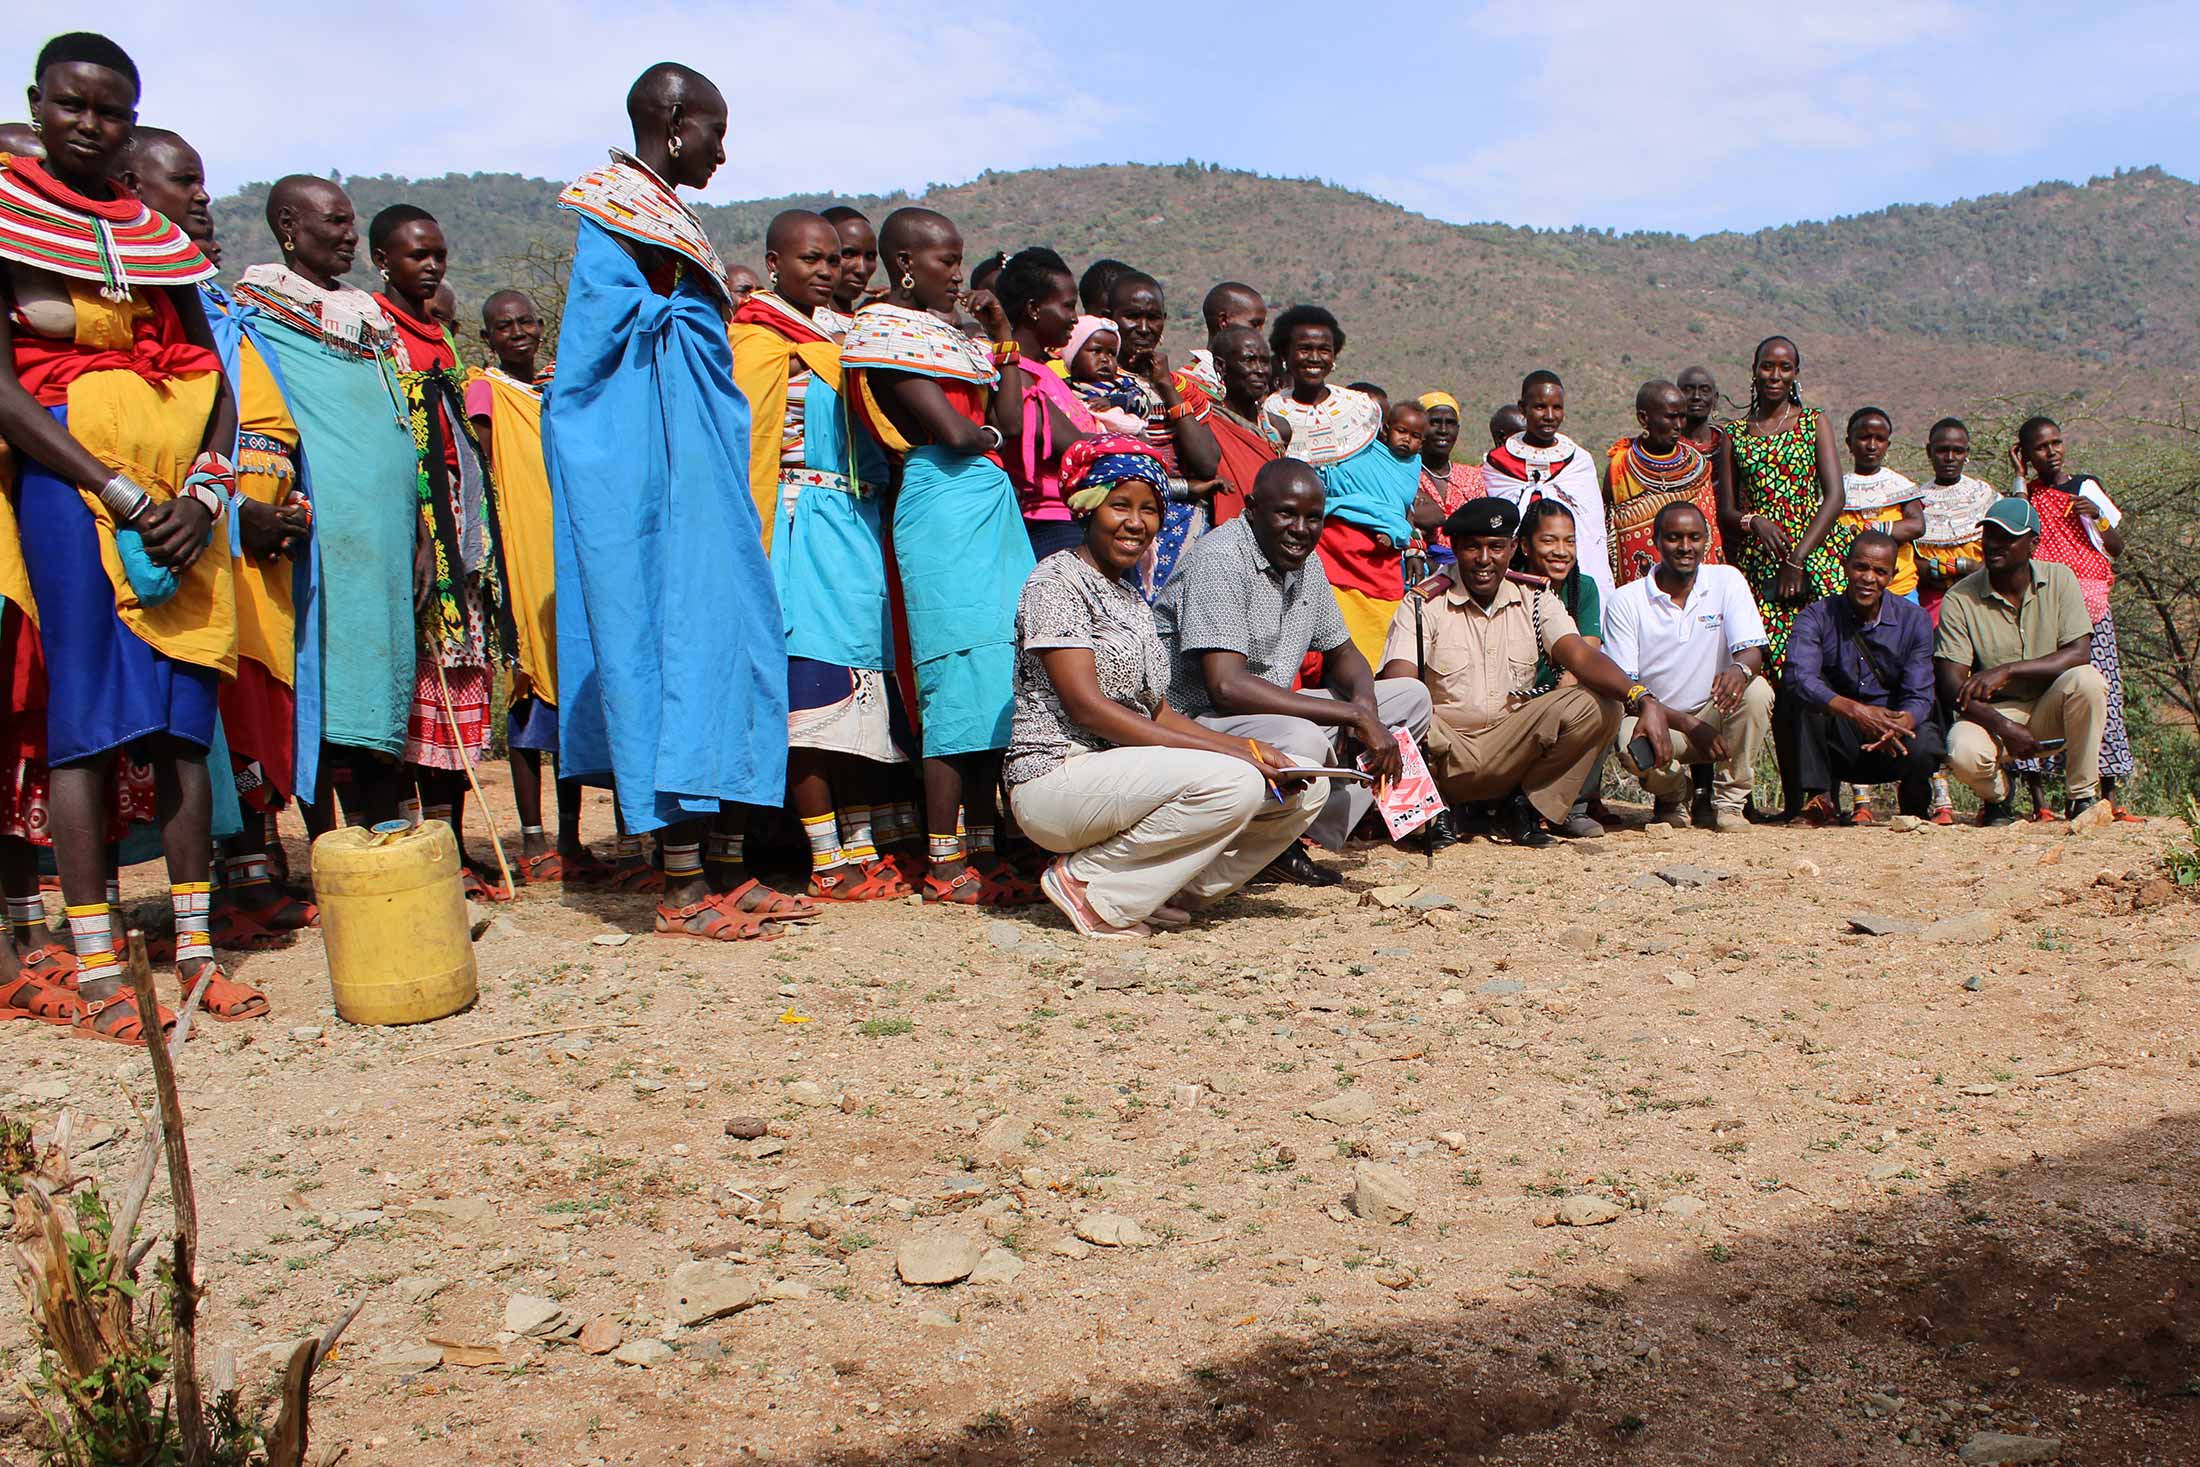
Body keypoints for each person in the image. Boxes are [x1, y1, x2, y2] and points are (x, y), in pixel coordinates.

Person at [0, 33, 267, 1035]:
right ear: (39, 101)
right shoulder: (7, 222)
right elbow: (5, 392)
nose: (91, 124)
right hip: (74, 495)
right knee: (89, 727)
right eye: (72, 105)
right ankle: (104, 972)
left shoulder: (154, 239)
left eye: (111, 110)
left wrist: (201, 491)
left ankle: (197, 956)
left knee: (180, 727)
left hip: (181, 502)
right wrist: (115, 487)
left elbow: (215, 384)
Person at [543, 62, 801, 941]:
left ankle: (732, 862)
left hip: (702, 469)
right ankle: (682, 881)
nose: (724, 152)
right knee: (667, 642)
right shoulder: (617, 209)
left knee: (732, 638)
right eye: (717, 132)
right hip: (649, 468)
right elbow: (597, 350)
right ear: (678, 121)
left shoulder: (668, 215)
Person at [121, 126, 318, 943]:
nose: (203, 199)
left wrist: (284, 506)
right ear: (133, 186)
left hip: (247, 546)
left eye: (205, 185)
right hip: (174, 533)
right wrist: (228, 510)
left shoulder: (230, 311)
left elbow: (260, 420)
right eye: (185, 183)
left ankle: (253, 876)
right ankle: (201, 904)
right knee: (189, 729)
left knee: (250, 715)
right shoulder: (143, 298)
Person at [1007, 437, 1322, 937]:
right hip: (1057, 777)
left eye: (1150, 510)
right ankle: (1090, 885)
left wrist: (1248, 746)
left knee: (1304, 784)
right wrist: (1237, 759)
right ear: (1088, 508)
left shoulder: (1131, 596)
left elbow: (1156, 711)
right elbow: (1087, 708)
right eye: (1120, 506)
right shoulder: (1056, 581)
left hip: (1124, 776)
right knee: (1236, 781)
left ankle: (1156, 892)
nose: (1137, 523)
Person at [842, 206, 1036, 905]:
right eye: (944, 261)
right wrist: (983, 434)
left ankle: (986, 845)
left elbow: (1005, 425)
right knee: (953, 673)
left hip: (987, 504)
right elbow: (955, 432)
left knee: (995, 668)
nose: (957, 274)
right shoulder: (884, 334)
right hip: (940, 505)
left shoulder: (952, 338)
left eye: (959, 260)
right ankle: (944, 858)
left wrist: (1005, 340)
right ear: (904, 263)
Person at [730, 210, 912, 901]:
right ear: (774, 262)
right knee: (811, 688)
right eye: (812, 258)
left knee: (867, 686)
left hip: (859, 522)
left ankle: (862, 845)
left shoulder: (849, 337)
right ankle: (825, 855)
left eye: (834, 259)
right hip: (795, 520)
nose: (828, 270)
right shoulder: (752, 338)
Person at [235, 176, 417, 834]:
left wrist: (419, 530)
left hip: (387, 537)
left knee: (381, 676)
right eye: (334, 221)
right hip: (325, 536)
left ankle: (387, 830)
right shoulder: (262, 314)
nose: (348, 234)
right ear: (289, 225)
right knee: (326, 684)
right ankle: (329, 844)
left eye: (350, 222)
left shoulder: (367, 316)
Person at [1156, 459, 1430, 882]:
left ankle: (1298, 832)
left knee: (1412, 697)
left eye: (1313, 518)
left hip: (1265, 715)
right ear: (1251, 509)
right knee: (1302, 735)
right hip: (1196, 720)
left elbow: (1344, 653)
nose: (1301, 528)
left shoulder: (1306, 563)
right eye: (1286, 513)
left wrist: (1366, 710)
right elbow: (1226, 686)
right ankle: (1267, 842)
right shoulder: (1222, 559)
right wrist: (1353, 717)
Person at [368, 204, 517, 899]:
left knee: (462, 689)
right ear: (381, 260)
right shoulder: (375, 332)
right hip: (415, 537)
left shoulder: (443, 340)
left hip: (466, 542)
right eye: (414, 254)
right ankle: (409, 848)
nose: (429, 266)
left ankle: (453, 844)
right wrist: (421, 535)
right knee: (414, 699)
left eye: (438, 253)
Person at [1378, 499, 1636, 847]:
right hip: (1445, 751)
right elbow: (1398, 686)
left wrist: (1640, 697)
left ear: (1512, 548)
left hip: (1512, 747)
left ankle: (1525, 808)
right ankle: (1423, 817)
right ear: (1455, 548)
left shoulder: (1534, 596)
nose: (1485, 560)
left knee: (1603, 703)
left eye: (1496, 547)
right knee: (1395, 703)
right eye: (1473, 547)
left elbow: (1579, 654)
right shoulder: (1423, 602)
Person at [463, 289, 606, 886]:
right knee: (529, 694)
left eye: (525, 322)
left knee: (571, 688)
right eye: (503, 326)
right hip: (521, 548)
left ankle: (572, 839)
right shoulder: (486, 392)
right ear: (488, 336)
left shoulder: (562, 386)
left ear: (542, 327)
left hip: (570, 547)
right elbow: (483, 470)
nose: (516, 332)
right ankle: (534, 839)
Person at [1715, 335, 1849, 820]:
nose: (1775, 375)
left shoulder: (1815, 424)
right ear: (1753, 371)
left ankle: (1820, 795)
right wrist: (1755, 522)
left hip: (1814, 561)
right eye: (1767, 367)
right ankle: (1775, 797)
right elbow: (1728, 510)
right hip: (1758, 569)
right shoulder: (1734, 433)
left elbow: (1834, 497)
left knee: (1814, 675)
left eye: (1785, 367)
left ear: (1796, 373)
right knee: (1768, 678)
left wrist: (1797, 560)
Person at [1261, 305, 1429, 668]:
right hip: (1304, 545)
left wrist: (1410, 539)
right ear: (1285, 355)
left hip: (1367, 551)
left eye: (1323, 349)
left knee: (1369, 654)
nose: (1314, 358)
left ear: (1335, 356)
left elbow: (1391, 483)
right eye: (1304, 348)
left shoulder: (1361, 411)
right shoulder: (1268, 413)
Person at [1933, 497, 2109, 826]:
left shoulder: (2061, 579)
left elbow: (2078, 653)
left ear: (2033, 544)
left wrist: (2008, 669)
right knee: (1963, 752)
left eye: (2007, 537)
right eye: (1989, 535)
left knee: (2089, 681)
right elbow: (1951, 686)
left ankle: (2081, 796)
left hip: (2051, 703)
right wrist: (2004, 727)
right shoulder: (1960, 598)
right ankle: (2000, 797)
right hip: (1996, 713)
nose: (1994, 545)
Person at [1603, 503, 1773, 832]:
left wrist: (1739, 670)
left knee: (1757, 691)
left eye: (1694, 537)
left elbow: (1752, 650)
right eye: (1674, 538)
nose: (1685, 547)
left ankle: (1729, 802)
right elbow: (1626, 685)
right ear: (1655, 541)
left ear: (1706, 540)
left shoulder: (1726, 581)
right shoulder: (1627, 600)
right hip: (1660, 719)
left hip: (1717, 715)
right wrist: (1689, 724)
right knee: (1629, 742)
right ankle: (1674, 795)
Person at [2009, 416, 2139, 821]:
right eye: (2040, 447)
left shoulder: (2086, 488)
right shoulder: (2027, 495)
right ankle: (2041, 802)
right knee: (2042, 695)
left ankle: (2108, 797)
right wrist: (2017, 477)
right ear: (2026, 455)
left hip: (2093, 604)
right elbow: (2017, 531)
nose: (2051, 451)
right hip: (2048, 606)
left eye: (2056, 443)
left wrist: (2096, 516)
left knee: (2104, 694)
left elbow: (2116, 546)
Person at [1783, 531, 1946, 824]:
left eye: (1880, 571)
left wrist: (1899, 724)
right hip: (1841, 733)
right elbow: (1799, 676)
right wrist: (1856, 712)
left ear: (1893, 575)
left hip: (1891, 732)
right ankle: (1819, 800)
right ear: (1845, 566)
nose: (1869, 578)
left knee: (1923, 736)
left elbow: (1920, 694)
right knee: (1801, 695)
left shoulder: (1915, 620)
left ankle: (1914, 805)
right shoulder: (1816, 616)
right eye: (1861, 567)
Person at [1105, 271, 1221, 593]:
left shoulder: (1183, 387)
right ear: (1108, 319)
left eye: (1153, 318)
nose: (1144, 329)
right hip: (1119, 522)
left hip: (1183, 528)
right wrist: (1187, 488)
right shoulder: (1095, 384)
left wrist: (1167, 389)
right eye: (1132, 317)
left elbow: (1208, 463)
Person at [992, 247, 1097, 559]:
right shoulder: (1015, 373)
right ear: (1034, 309)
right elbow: (1073, 444)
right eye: (1067, 306)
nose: (1074, 318)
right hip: (1050, 524)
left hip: (1077, 517)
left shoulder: (1046, 374)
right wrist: (1129, 444)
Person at [1481, 370, 1614, 606]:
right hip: (1515, 573)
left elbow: (1591, 531)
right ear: (1523, 408)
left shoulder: (1579, 462)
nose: (1549, 416)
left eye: (1557, 408)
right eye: (1540, 407)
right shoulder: (1497, 463)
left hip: (1571, 575)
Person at [1607, 379, 1720, 587]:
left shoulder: (1698, 468)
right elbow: (1607, 533)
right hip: (1638, 592)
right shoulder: (1621, 467)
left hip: (1694, 586)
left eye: (1682, 417)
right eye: (1670, 417)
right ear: (1644, 418)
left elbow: (1710, 537)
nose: (1678, 426)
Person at [1836, 407, 1924, 600]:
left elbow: (1917, 525)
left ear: (1887, 444)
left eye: (1879, 439)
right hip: (1851, 590)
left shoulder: (1900, 486)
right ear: (1849, 443)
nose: (1872, 446)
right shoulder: (1836, 489)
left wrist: (1872, 529)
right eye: (1864, 437)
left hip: (1900, 587)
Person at [1202, 324, 1282, 526]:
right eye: (1249, 360)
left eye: (1265, 362)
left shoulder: (1277, 428)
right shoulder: (1206, 422)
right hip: (1224, 537)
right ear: (1221, 366)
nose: (1260, 370)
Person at [1415, 392, 1488, 550]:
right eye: (1434, 422)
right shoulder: (1406, 473)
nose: (1443, 430)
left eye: (1450, 423)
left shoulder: (1473, 477)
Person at [1179, 280, 1265, 397]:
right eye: (1254, 324)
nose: (1259, 334)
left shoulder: (1252, 382)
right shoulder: (1187, 384)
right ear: (1224, 321)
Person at [819, 205, 877, 329]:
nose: (861, 269)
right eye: (849, 254)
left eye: (870, 256)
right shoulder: (797, 323)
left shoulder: (874, 321)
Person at [1677, 365, 1723, 457]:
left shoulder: (1728, 443)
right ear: (1676, 396)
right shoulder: (1665, 446)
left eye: (1705, 390)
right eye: (1688, 390)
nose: (1696, 396)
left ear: (1715, 398)